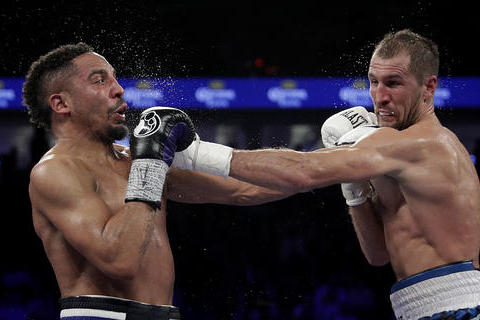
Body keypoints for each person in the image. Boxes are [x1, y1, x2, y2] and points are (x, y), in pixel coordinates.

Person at [171, 30, 480, 319]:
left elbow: (304, 171)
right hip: (420, 303)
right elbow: (378, 254)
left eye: (393, 83)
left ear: (429, 87)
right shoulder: (396, 153)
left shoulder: (420, 142)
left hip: (456, 305)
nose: (379, 96)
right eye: (373, 81)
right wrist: (354, 185)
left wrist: (195, 152)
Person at [23, 43, 290, 320]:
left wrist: (331, 167)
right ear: (61, 103)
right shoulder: (54, 172)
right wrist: (150, 164)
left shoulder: (132, 162)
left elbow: (244, 189)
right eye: (100, 80)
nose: (118, 89)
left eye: (114, 78)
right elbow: (119, 259)